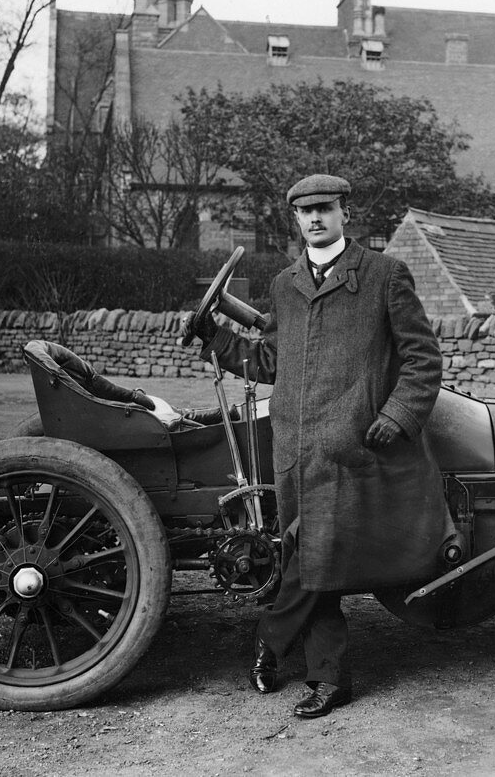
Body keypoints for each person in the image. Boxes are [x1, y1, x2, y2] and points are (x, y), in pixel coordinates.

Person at [185, 173, 454, 719]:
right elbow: (270, 363)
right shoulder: (287, 284)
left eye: (325, 209)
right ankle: (326, 677)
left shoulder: (383, 275)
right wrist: (216, 337)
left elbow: (423, 360)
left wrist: (397, 416)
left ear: (344, 214)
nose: (315, 219)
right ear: (296, 220)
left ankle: (275, 641)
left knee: (312, 561)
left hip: (354, 454)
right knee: (313, 565)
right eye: (305, 213)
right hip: (295, 454)